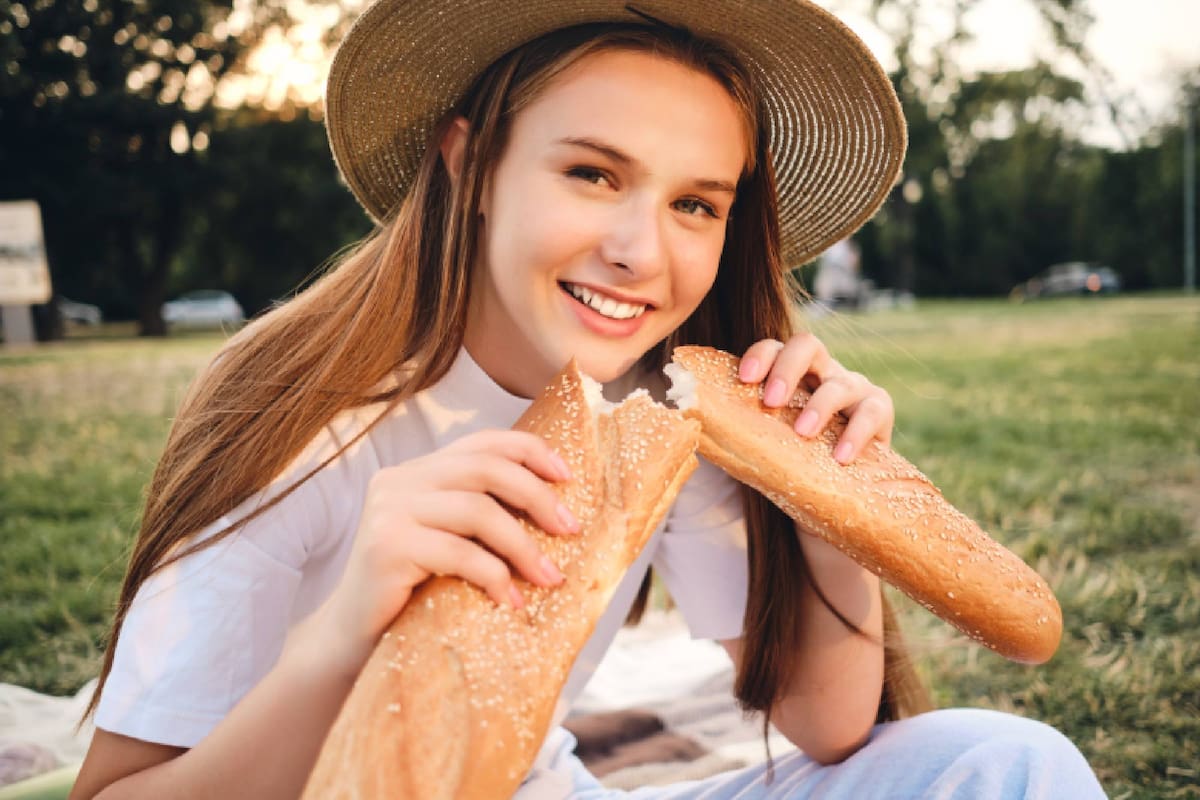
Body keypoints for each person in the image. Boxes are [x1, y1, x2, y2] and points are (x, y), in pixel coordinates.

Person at [69, 1, 1107, 798]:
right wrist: (349, 626)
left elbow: (829, 728)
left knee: (1003, 762)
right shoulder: (300, 410)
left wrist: (832, 505)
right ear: (472, 163)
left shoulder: (663, 404)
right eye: (594, 174)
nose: (640, 250)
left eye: (695, 202)